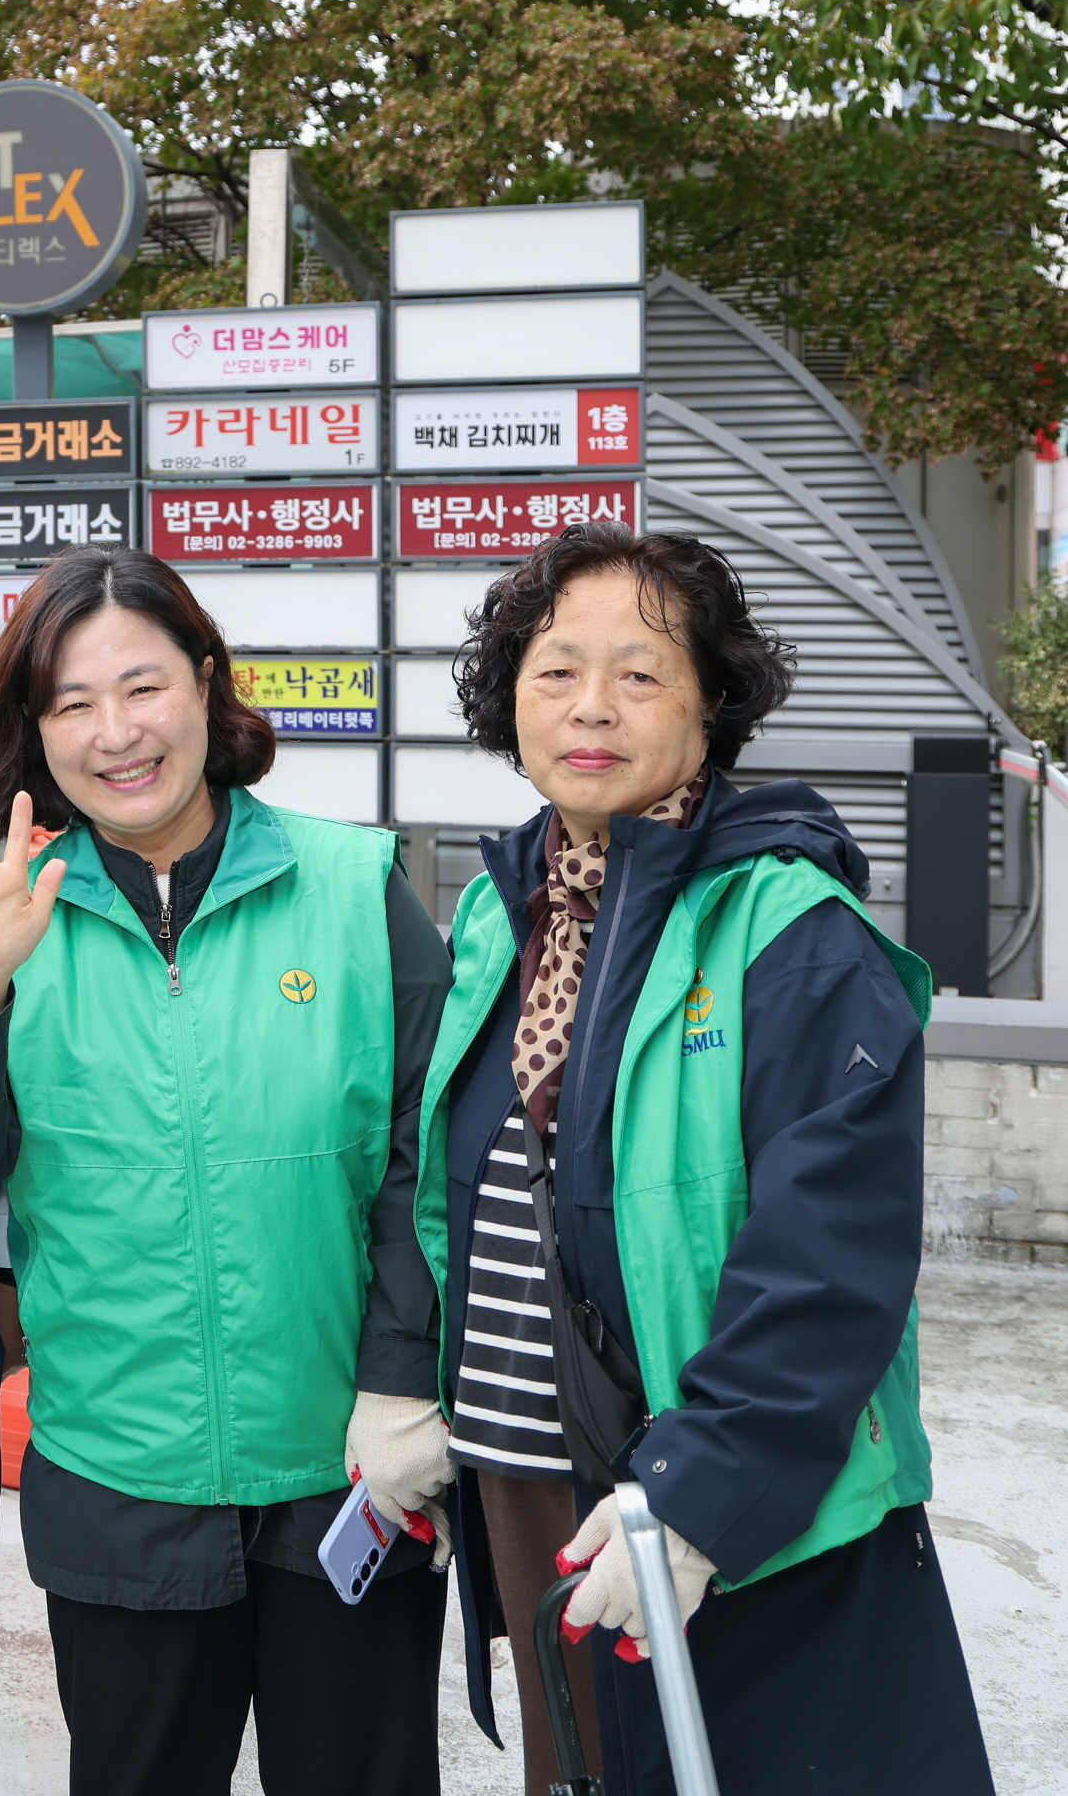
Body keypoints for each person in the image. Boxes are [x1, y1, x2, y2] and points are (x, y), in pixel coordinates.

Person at [416, 524, 991, 1795]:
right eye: (555, 669)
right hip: (531, 1475)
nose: (592, 707)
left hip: (721, 1493)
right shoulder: (499, 904)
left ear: (713, 701)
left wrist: (697, 1497)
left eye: (641, 672)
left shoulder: (792, 928)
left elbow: (829, 1257)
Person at [0, 547, 453, 1796]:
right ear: (35, 730)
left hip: (350, 1473)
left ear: (205, 683)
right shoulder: (6, 909)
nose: (116, 733)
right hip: (119, 1483)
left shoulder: (354, 887)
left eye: (143, 686)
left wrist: (403, 1383)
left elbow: (431, 1164)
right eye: (72, 703)